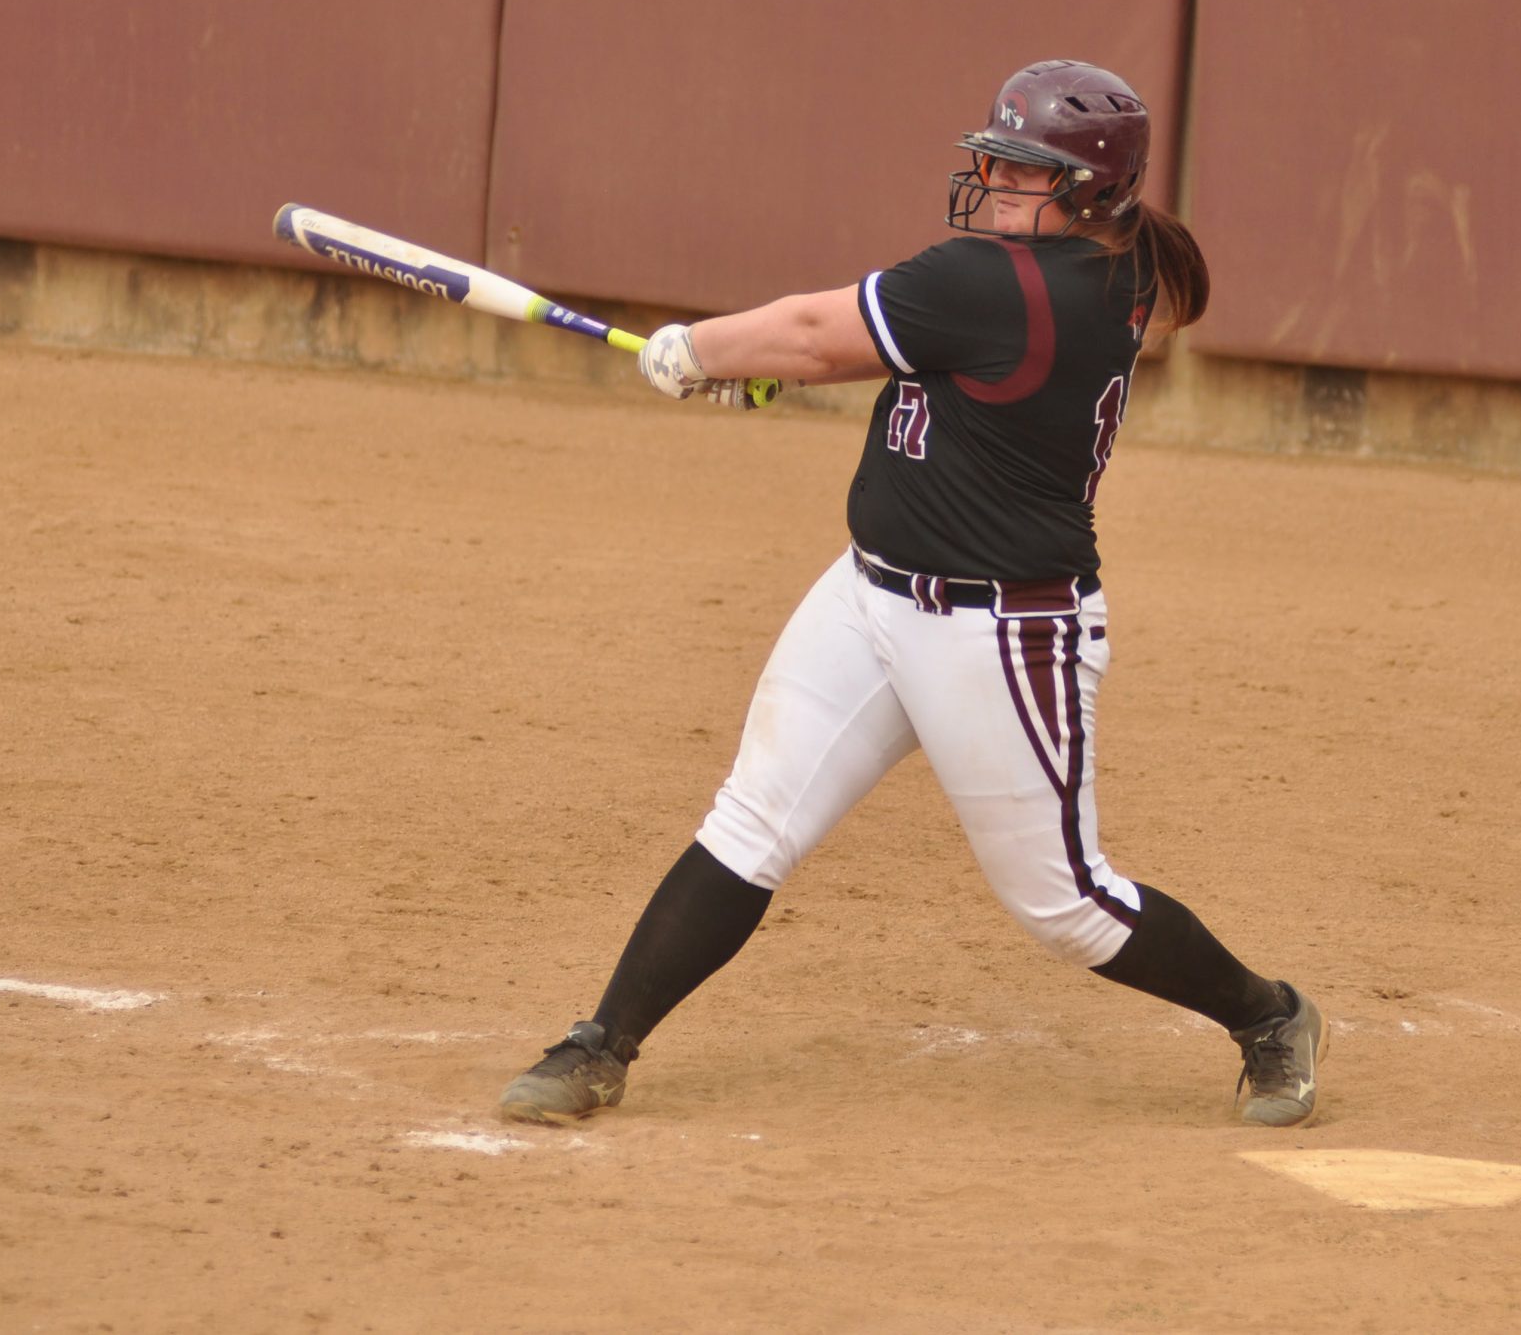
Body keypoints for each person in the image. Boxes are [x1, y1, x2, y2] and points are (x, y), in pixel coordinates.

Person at [496, 60, 1325, 1129]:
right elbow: (918, 357)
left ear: (1088, 192)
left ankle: (1270, 1016)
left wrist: (691, 349)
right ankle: (599, 1043)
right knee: (751, 821)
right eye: (994, 156)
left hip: (1004, 630)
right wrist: (762, 370)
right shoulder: (1079, 272)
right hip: (868, 597)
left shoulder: (1009, 283)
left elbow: (810, 331)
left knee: (1066, 903)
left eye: (1021, 167)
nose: (990, 175)